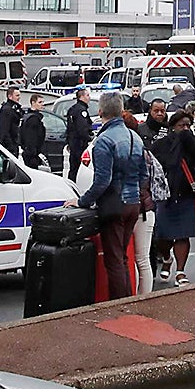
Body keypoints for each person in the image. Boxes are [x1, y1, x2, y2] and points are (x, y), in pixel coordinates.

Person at [79, 92, 145, 298]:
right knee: (123, 256)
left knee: (114, 260)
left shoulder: (104, 141)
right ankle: (127, 300)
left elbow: (102, 181)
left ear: (100, 112)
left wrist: (82, 201)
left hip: (114, 204)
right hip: (134, 202)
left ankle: (120, 304)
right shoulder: (135, 137)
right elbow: (144, 174)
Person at [151, 108, 195, 285]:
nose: (185, 129)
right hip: (166, 195)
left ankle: (180, 271)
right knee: (162, 236)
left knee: (183, 235)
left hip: (186, 194)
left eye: (188, 125)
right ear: (172, 126)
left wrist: (190, 141)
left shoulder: (194, 143)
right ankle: (166, 258)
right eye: (181, 125)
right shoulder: (162, 144)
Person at [65, 86, 95, 183]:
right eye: (87, 95)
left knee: (73, 168)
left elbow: (69, 128)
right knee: (79, 169)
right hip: (80, 144)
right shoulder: (81, 111)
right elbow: (82, 129)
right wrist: (89, 138)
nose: (89, 97)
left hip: (73, 143)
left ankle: (70, 186)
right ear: (81, 97)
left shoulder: (72, 109)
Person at [0, 88, 24, 153]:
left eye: (19, 95)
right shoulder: (7, 110)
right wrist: (11, 147)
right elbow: (5, 130)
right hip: (9, 147)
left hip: (14, 143)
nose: (19, 98)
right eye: (17, 95)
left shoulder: (16, 108)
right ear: (10, 96)